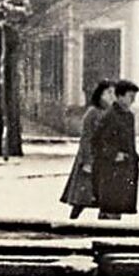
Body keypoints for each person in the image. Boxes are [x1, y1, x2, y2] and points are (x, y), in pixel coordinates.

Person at [60, 80, 114, 219]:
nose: (112, 96)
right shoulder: (92, 113)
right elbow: (86, 138)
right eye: (108, 93)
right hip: (92, 159)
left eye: (114, 93)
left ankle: (105, 223)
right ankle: (72, 221)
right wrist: (87, 161)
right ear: (100, 95)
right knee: (83, 196)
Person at [91, 79, 139, 219]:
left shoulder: (129, 116)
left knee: (118, 206)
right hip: (110, 169)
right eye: (130, 97)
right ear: (120, 97)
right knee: (110, 205)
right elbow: (97, 141)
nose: (133, 101)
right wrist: (113, 154)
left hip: (125, 168)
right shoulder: (109, 116)